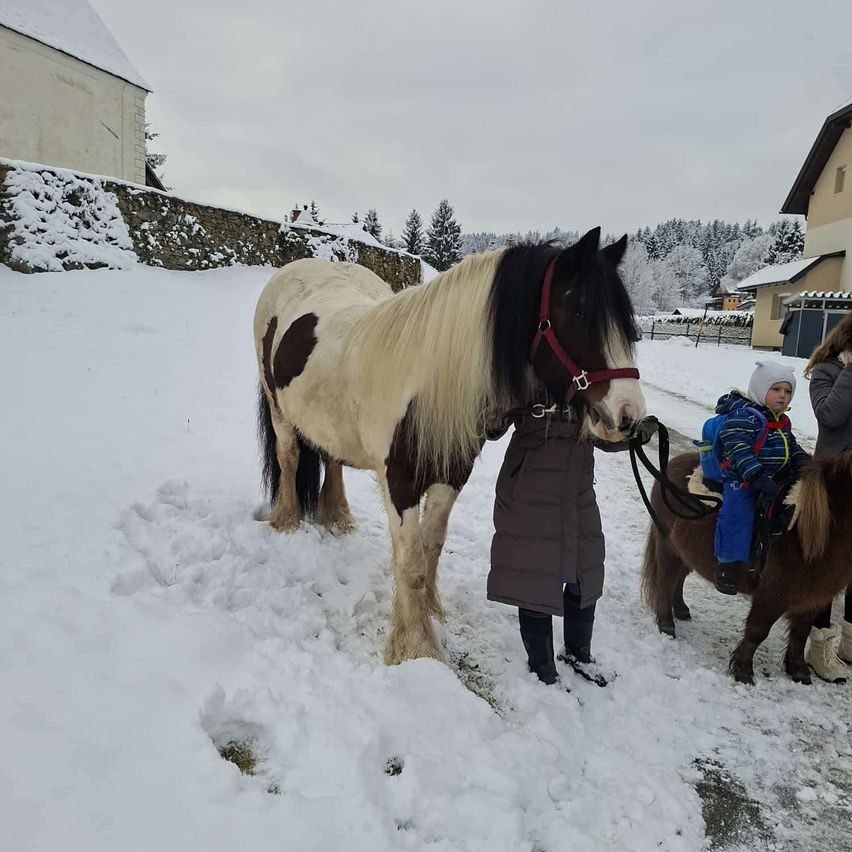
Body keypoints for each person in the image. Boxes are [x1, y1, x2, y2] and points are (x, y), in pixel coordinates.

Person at [487, 406, 656, 686]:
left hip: (577, 493)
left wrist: (633, 433)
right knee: (535, 577)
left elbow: (604, 436)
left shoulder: (589, 386)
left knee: (585, 570)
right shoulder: (526, 374)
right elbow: (491, 427)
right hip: (530, 490)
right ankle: (541, 667)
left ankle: (578, 655)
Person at [713, 361, 809, 595]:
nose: (783, 396)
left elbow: (791, 445)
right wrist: (755, 474)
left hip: (773, 477)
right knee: (738, 513)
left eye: (787, 391)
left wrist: (802, 461)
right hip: (743, 479)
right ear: (760, 389)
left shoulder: (782, 421)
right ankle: (725, 563)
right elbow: (738, 446)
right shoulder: (745, 417)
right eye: (776, 389)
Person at [804, 313, 852, 682]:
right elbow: (830, 417)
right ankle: (818, 646)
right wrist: (850, 372)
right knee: (828, 565)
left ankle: (849, 640)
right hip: (833, 486)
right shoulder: (825, 372)